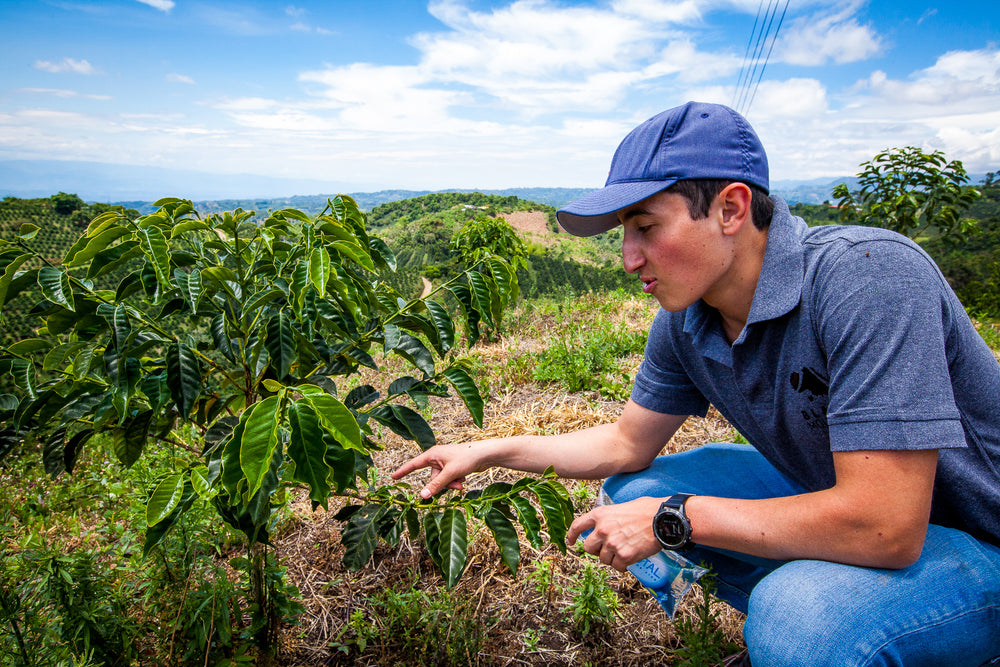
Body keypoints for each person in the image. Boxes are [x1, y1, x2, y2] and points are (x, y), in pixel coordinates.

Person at [392, 101, 1000, 666]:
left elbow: (886, 527)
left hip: (976, 536)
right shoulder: (688, 319)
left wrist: (672, 517)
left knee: (800, 619)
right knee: (633, 489)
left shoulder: (866, 277)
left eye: (646, 227)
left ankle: (824, 625)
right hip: (843, 494)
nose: (630, 258)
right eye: (624, 234)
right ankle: (824, 623)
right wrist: (488, 451)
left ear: (731, 209)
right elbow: (625, 445)